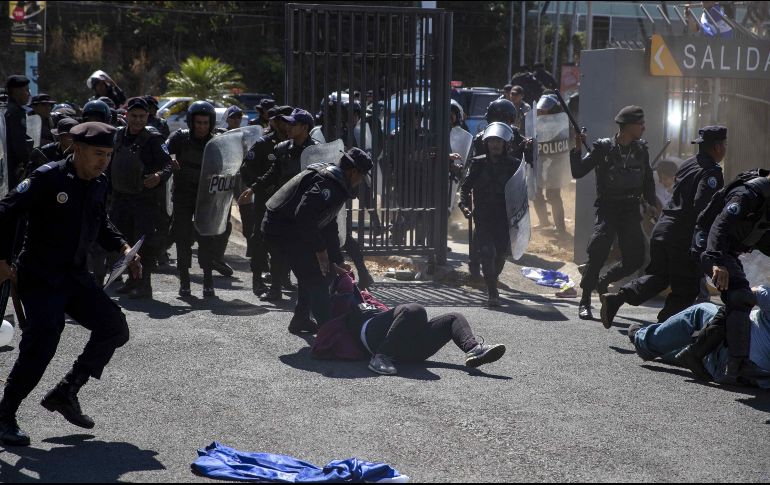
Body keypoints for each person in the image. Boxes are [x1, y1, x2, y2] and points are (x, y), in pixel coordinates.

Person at [0, 122, 140, 447]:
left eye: (108, 154)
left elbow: (100, 222)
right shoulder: (48, 177)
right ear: (77, 149)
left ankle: (67, 391)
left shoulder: (99, 183)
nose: (102, 161)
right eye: (96, 154)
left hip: (76, 277)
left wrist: (122, 247)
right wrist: (3, 260)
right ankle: (5, 414)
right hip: (41, 277)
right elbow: (6, 210)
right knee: (42, 345)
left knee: (114, 327)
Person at [600, 127, 726, 328]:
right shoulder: (711, 172)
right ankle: (660, 331)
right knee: (686, 289)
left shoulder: (687, 164)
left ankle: (617, 299)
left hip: (662, 229)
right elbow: (703, 206)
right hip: (681, 236)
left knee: (658, 278)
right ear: (718, 147)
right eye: (724, 146)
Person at [261, 148, 373, 334]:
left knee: (319, 270)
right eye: (361, 177)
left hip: (292, 228)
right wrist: (321, 252)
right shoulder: (329, 183)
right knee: (318, 276)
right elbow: (304, 215)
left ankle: (301, 319)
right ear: (353, 172)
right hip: (282, 229)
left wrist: (336, 259)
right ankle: (329, 332)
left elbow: (328, 224)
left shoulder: (336, 181)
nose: (359, 182)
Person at [675, 168, 770, 378]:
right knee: (740, 295)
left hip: (727, 251)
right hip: (709, 246)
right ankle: (738, 363)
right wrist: (716, 261)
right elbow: (720, 226)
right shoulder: (748, 194)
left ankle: (694, 352)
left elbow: (763, 238)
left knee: (737, 301)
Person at [572, 106, 659, 320]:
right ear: (628, 126)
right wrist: (576, 149)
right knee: (599, 248)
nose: (643, 127)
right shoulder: (603, 148)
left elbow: (647, 178)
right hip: (608, 207)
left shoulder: (641, 149)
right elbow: (578, 171)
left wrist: (650, 202)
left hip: (630, 209)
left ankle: (604, 281)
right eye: (640, 124)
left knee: (636, 258)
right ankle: (585, 299)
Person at [629, 286, 770, 387]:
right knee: (690, 349)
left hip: (730, 356)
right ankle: (680, 352)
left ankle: (642, 341)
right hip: (740, 377)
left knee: (702, 310)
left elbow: (742, 295)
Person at [109, 97, 173, 299]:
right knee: (124, 241)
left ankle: (145, 285)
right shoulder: (118, 135)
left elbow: (169, 165)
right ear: (126, 115)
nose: (138, 120)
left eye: (142, 116)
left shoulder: (153, 138)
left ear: (148, 116)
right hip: (120, 198)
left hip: (144, 201)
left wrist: (159, 176)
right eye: (134, 116)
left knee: (143, 243)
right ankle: (131, 279)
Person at [251, 108, 317, 302]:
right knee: (276, 248)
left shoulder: (315, 151)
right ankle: (276, 288)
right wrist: (253, 189)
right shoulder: (282, 148)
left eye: (293, 124)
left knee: (304, 251)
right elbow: (271, 174)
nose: (288, 127)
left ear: (305, 128)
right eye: (288, 123)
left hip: (304, 209)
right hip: (282, 207)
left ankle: (309, 292)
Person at [459, 122, 522, 307]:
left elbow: (520, 194)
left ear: (505, 144)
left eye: (498, 141)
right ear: (486, 143)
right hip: (483, 216)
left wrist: (518, 219)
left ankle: (492, 279)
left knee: (500, 256)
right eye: (492, 141)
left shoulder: (514, 166)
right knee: (487, 252)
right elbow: (465, 187)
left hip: (503, 219)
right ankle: (492, 292)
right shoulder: (478, 163)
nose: (495, 144)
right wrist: (463, 205)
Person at [349, 302, 507, 376]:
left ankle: (474, 349)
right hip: (372, 335)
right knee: (415, 311)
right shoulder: (348, 300)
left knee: (453, 318)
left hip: (408, 348)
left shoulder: (368, 296)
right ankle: (381, 357)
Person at [166, 101, 219, 297]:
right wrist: (170, 159)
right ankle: (184, 279)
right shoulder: (180, 138)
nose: (202, 127)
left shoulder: (216, 143)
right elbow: (164, 150)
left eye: (206, 123)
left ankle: (207, 278)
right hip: (182, 195)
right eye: (198, 123)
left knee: (207, 238)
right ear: (191, 122)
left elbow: (225, 168)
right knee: (182, 237)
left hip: (205, 197)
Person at [238, 105, 293, 296]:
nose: (287, 125)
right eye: (283, 121)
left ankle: (283, 279)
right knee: (260, 240)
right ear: (275, 122)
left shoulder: (295, 145)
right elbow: (246, 169)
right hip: (265, 200)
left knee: (286, 242)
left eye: (290, 121)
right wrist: (257, 187)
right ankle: (257, 280)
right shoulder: (263, 144)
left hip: (288, 203)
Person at [531, 92, 567, 233]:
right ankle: (544, 222)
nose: (541, 112)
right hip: (539, 162)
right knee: (536, 193)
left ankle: (560, 227)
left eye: (545, 109)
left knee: (553, 196)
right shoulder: (535, 122)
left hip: (555, 165)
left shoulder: (562, 125)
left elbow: (565, 145)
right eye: (540, 109)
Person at [4, 75, 32, 189]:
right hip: (11, 167)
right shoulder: (16, 112)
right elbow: (18, 143)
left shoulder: (5, 109)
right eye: (26, 90)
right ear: (16, 91)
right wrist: (27, 161)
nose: (28, 94)